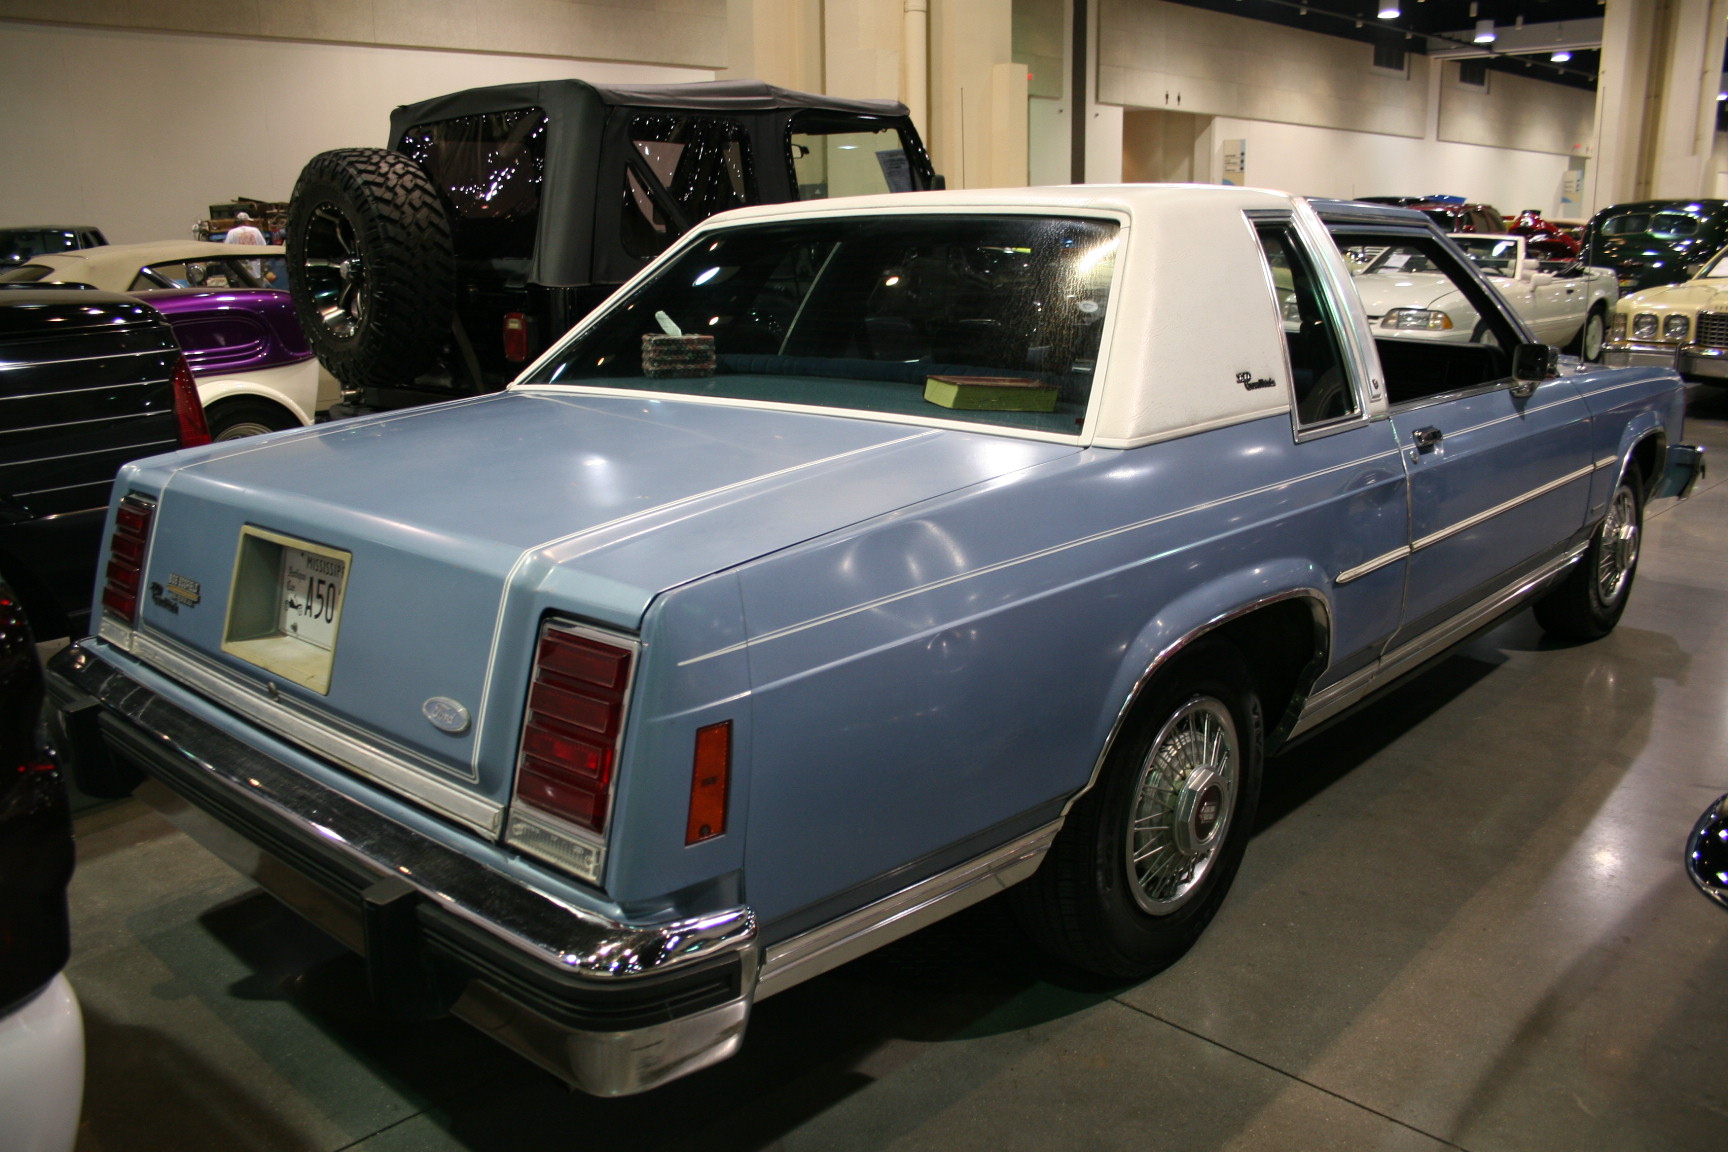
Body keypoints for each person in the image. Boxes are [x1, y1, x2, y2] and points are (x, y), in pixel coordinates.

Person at [223, 211, 267, 281]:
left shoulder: (232, 232)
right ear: (245, 221)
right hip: (256, 270)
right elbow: (264, 247)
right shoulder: (255, 230)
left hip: (240, 271)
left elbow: (226, 250)